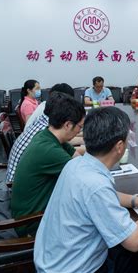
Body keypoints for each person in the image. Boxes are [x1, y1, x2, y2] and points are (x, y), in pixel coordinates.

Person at [34, 107, 138, 273]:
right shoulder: (95, 184)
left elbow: (103, 195)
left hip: (58, 265)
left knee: (134, 259)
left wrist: (137, 201)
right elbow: (135, 241)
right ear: (120, 147)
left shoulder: (77, 164)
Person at [10, 93, 85, 236]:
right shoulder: (49, 150)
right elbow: (84, 178)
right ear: (68, 125)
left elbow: (78, 160)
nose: (79, 131)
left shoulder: (49, 136)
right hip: (31, 223)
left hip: (35, 210)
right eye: (80, 127)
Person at [6, 84, 84, 183]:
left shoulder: (48, 126)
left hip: (23, 179)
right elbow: (81, 176)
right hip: (14, 184)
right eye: (80, 127)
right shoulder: (46, 134)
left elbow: (73, 152)